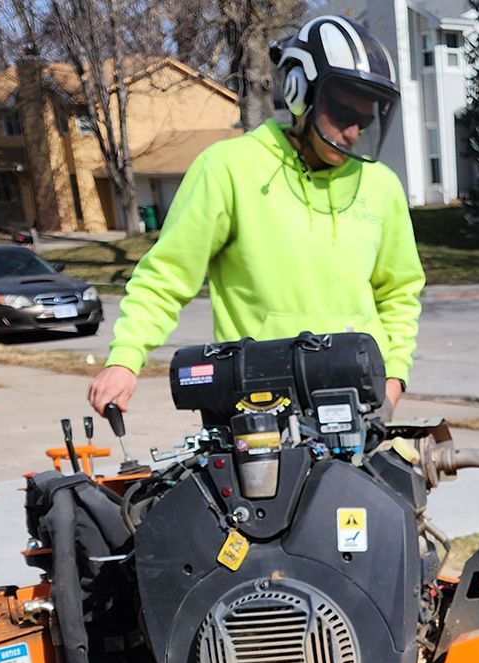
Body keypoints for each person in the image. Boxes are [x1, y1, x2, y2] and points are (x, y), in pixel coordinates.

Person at [88, 15, 424, 419]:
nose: (352, 132)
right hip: (257, 402)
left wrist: (392, 384)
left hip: (356, 398)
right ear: (300, 91)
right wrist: (125, 359)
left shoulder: (380, 186)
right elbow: (167, 275)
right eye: (340, 113)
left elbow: (400, 294)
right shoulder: (229, 169)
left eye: (364, 120)